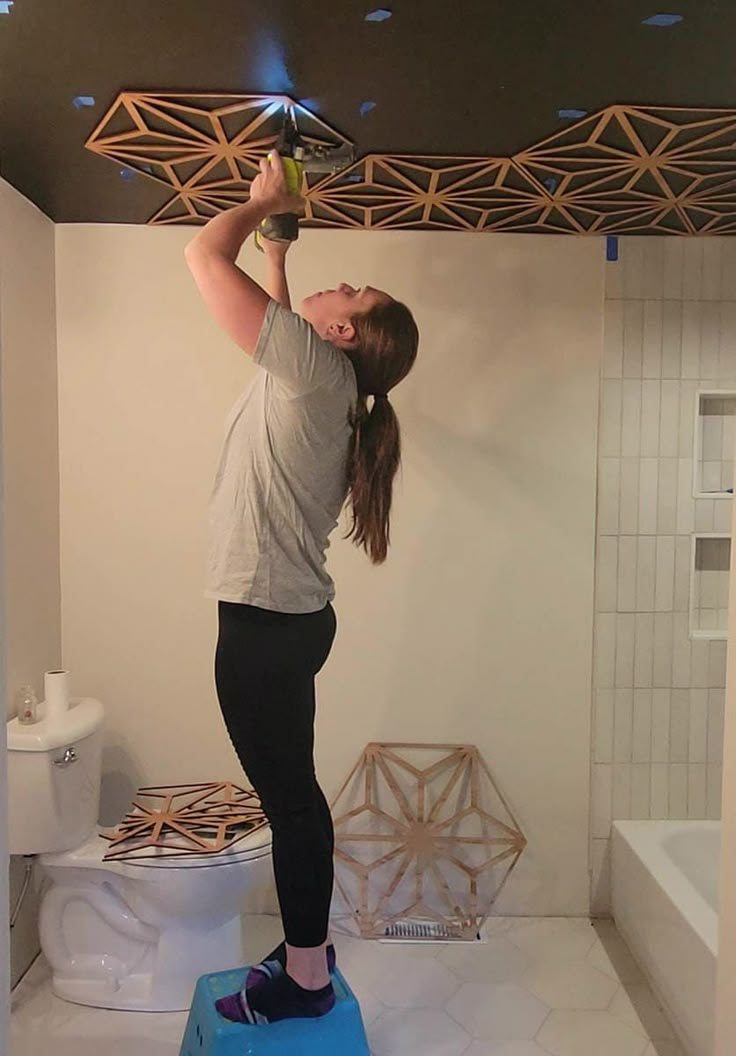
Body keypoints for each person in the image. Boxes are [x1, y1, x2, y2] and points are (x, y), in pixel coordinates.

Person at [184, 151, 419, 1025]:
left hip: (266, 625)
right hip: (289, 620)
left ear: (345, 335)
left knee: (290, 803)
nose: (341, 286)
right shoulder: (320, 381)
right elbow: (277, 319)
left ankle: (308, 979)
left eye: (349, 293)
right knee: (296, 796)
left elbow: (203, 259)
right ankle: (309, 947)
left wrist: (258, 212)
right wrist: (280, 255)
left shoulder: (320, 376)